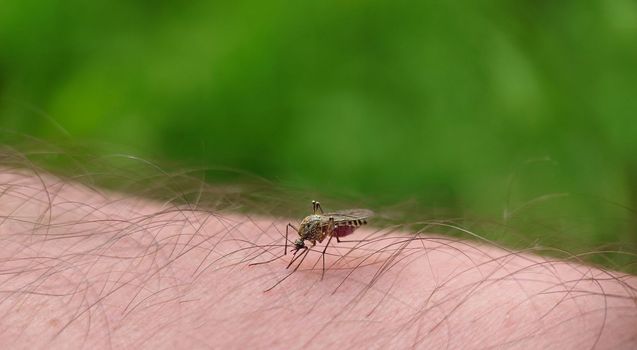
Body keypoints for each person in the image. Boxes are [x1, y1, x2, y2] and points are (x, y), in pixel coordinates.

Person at [0, 167, 635, 349]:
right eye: (305, 240)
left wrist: (327, 240)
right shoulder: (301, 229)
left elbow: (318, 234)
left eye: (304, 241)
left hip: (342, 223)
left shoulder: (323, 231)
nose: (301, 246)